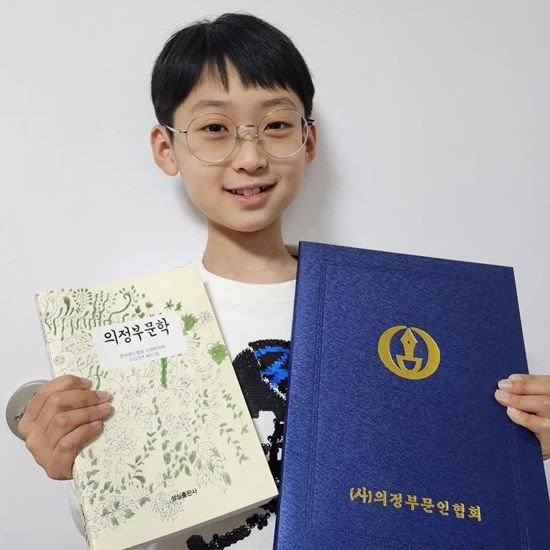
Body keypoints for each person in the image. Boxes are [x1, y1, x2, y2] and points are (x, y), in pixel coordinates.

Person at [17, 11, 550, 550]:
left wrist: (524, 443)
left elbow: (444, 481)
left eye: (276, 125)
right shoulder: (132, 328)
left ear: (308, 140)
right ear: (166, 148)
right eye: (214, 129)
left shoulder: (391, 306)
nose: (250, 158)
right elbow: (125, 521)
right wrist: (79, 462)